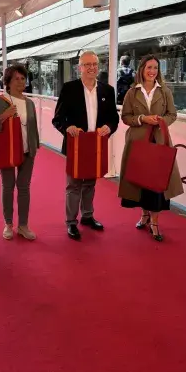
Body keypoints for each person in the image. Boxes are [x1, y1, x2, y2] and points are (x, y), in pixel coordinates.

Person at [52, 51, 119, 240]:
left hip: (95, 144)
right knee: (73, 184)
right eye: (87, 64)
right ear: (79, 67)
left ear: (98, 67)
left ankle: (87, 216)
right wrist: (68, 127)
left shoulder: (107, 90)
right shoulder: (69, 88)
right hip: (76, 144)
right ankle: (71, 222)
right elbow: (57, 119)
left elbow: (114, 118)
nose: (91, 68)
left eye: (94, 64)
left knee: (90, 182)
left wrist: (109, 127)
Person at [118, 54, 183, 242]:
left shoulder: (165, 92)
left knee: (157, 183)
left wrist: (162, 121)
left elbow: (173, 114)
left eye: (155, 68)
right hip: (137, 142)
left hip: (159, 141)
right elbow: (126, 117)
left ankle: (154, 221)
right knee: (140, 181)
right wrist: (142, 119)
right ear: (141, 70)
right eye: (149, 67)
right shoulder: (132, 92)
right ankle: (144, 214)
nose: (152, 71)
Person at [0, 65, 39, 240]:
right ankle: (8, 224)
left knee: (24, 188)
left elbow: (32, 128)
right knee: (8, 187)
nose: (20, 82)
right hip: (8, 151)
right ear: (7, 81)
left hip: (27, 151)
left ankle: (23, 225)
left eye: (23, 78)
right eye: (16, 78)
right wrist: (4, 116)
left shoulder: (30, 103)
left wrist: (34, 146)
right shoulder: (0, 101)